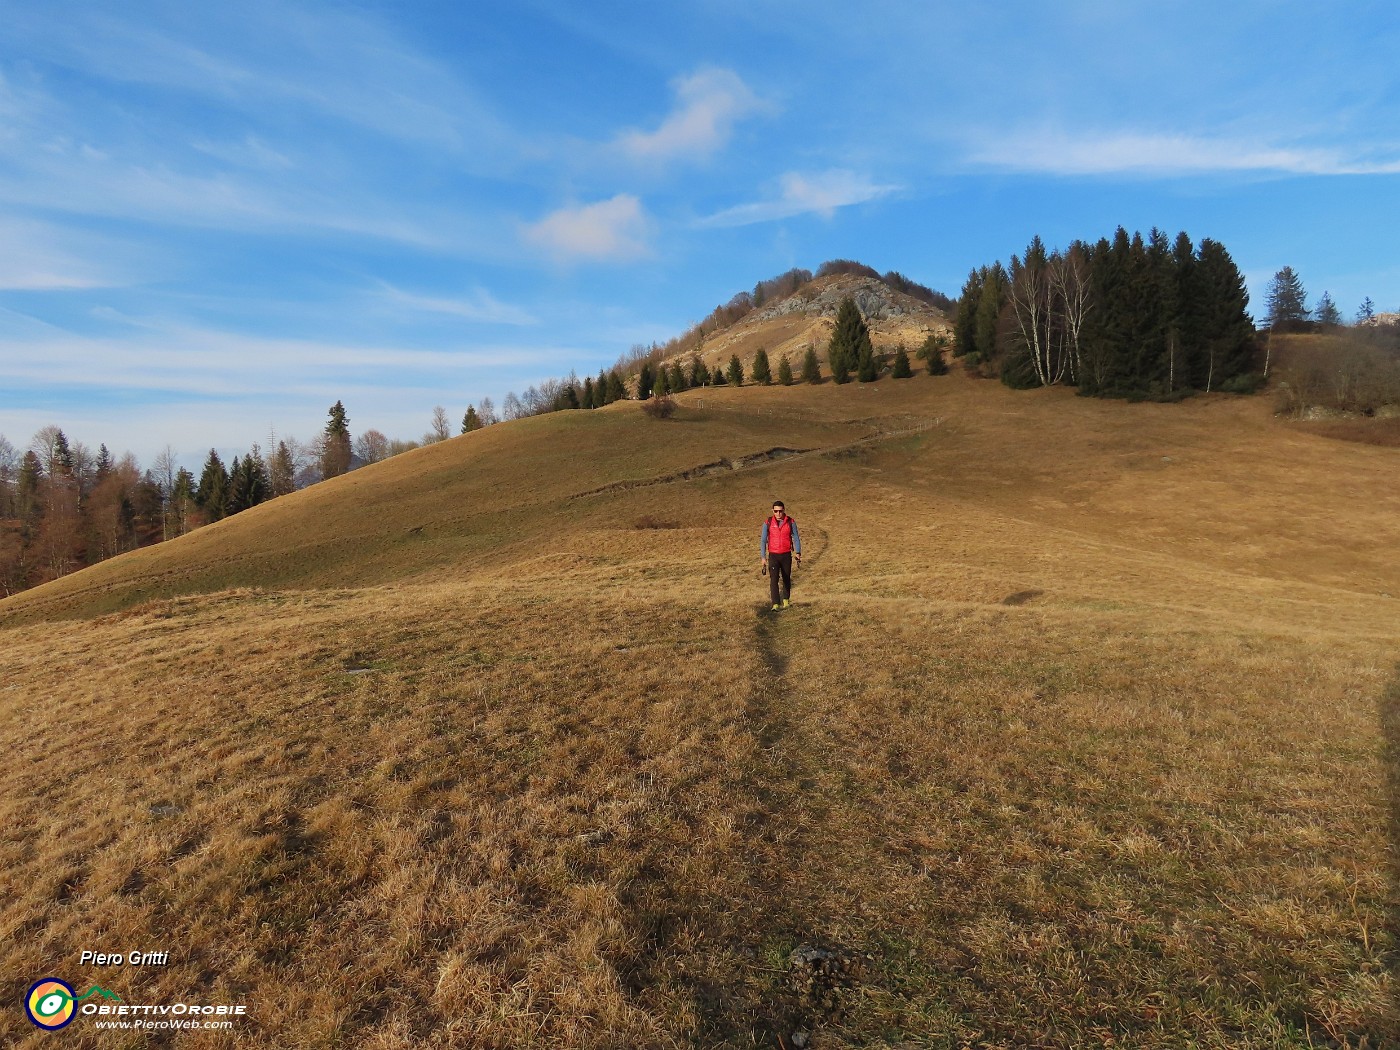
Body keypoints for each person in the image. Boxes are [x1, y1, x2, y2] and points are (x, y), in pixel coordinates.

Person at [759, 500, 801, 610]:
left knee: (786, 578)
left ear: (784, 510)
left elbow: (796, 537)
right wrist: (763, 557)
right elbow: (763, 540)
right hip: (773, 555)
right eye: (776, 511)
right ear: (772, 511)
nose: (778, 513)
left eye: (780, 511)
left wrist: (798, 552)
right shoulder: (767, 523)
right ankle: (775, 604)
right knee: (774, 579)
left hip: (786, 555)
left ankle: (786, 600)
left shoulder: (790, 522)